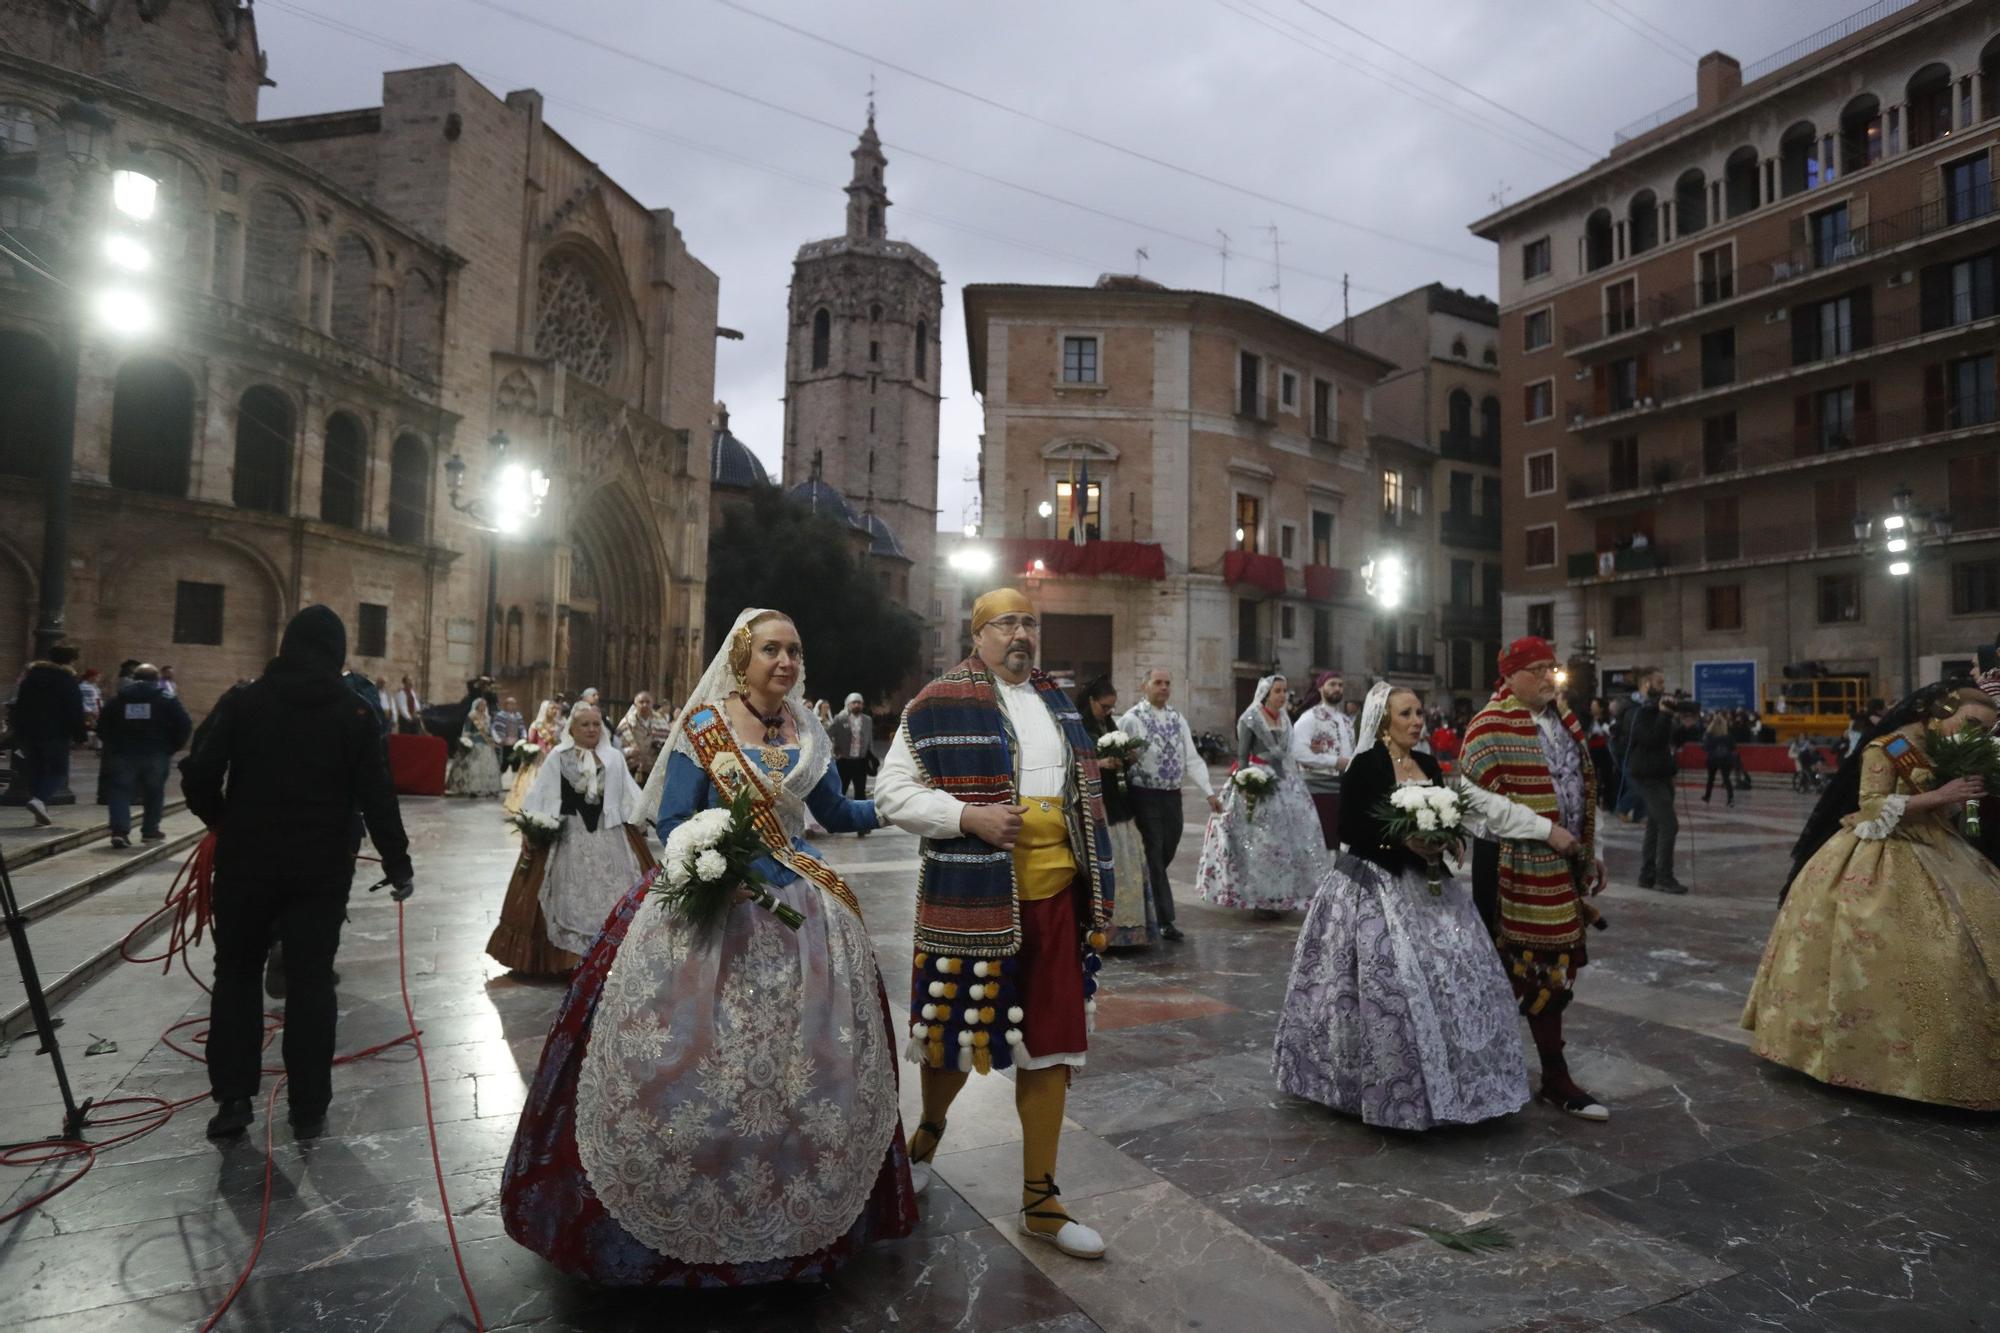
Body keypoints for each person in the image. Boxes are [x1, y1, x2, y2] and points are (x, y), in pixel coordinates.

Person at [502, 608, 917, 1284]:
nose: (785, 661)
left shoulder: (809, 728)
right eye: (771, 649)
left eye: (794, 649)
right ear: (742, 657)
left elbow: (838, 813)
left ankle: (794, 1189)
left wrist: (903, 805)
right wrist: (708, 866)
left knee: (801, 1067)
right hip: (713, 908)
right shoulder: (705, 728)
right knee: (699, 1059)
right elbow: (672, 819)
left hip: (801, 909)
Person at [875, 587, 1114, 1261]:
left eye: (1029, 622)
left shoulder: (1059, 702)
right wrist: (967, 818)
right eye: (1006, 622)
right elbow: (890, 792)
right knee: (951, 1029)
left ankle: (1041, 1200)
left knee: (1054, 1045)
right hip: (973, 895)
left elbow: (1081, 795)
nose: (1021, 633)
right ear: (976, 634)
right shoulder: (935, 702)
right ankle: (926, 1132)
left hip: (1058, 900)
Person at [1275, 682, 1578, 1129]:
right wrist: (1402, 841)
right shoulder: (1365, 766)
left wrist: (1448, 840)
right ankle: (1383, 1085)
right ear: (1382, 722)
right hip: (1377, 884)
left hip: (1431, 887)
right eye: (1406, 714)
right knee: (1388, 985)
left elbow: (1450, 815)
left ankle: (1456, 1079)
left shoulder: (1428, 764)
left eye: (1419, 713)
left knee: (1452, 974)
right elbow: (1352, 829)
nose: (1417, 722)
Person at [180, 606, 412, 1140]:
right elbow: (378, 798)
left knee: (236, 974)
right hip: (321, 869)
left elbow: (198, 771)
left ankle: (234, 1099)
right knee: (311, 980)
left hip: (246, 864)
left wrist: (223, 820)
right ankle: (308, 1106)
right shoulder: (354, 714)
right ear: (337, 652)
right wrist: (397, 863)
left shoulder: (244, 700)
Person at [1745, 681, 2000, 1109]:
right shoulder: (1890, 747)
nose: (1974, 735)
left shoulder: (1943, 748)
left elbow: (1943, 809)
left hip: (1939, 849)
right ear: (1942, 710)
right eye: (1971, 724)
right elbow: (1871, 803)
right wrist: (1942, 794)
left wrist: (1961, 800)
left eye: (1985, 730)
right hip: (1882, 855)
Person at [1460, 637, 1610, 1123]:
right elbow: (1481, 803)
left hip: (1562, 860)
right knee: (1510, 968)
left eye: (1554, 668)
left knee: (1555, 967)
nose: (1551, 678)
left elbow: (1586, 788)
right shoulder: (1487, 727)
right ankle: (1489, 1070)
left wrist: (1593, 849)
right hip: (1507, 863)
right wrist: (1548, 833)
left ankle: (1551, 1076)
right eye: (1540, 670)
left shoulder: (1567, 725)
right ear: (1511, 677)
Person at [530, 703, 654, 958]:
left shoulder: (614, 757)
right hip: (569, 832)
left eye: (596, 724)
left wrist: (645, 818)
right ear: (572, 729)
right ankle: (569, 959)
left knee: (617, 884)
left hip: (610, 832)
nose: (591, 729)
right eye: (584, 724)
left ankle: (613, 947)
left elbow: (629, 794)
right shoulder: (559, 755)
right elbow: (543, 793)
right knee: (568, 888)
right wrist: (534, 827)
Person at [1195, 674, 1324, 916]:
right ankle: (1259, 898)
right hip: (1258, 782)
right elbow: (1242, 756)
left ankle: (1283, 894)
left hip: (1285, 783)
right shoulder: (1251, 718)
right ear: (1266, 694)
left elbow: (1288, 753)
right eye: (1277, 691)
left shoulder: (1285, 719)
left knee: (1287, 842)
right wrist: (1245, 784)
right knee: (1260, 843)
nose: (1282, 695)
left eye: (1284, 690)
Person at [1118, 668, 1222, 942]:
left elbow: (1192, 757)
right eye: (1158, 682)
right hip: (1144, 794)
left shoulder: (1178, 719)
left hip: (1171, 795)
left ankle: (1148, 894)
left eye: (1167, 683)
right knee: (1153, 849)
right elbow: (1119, 755)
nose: (1163, 687)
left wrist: (1209, 792)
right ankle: (1165, 919)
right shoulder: (1132, 719)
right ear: (1144, 685)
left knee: (1167, 847)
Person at [1076, 674, 1156, 949]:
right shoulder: (1080, 728)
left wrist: (1125, 759)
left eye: (1111, 707)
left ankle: (1130, 929)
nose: (1109, 712)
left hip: (1119, 805)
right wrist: (1099, 764)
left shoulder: (1109, 725)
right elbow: (1073, 764)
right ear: (1091, 701)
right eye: (1105, 706)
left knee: (1128, 858)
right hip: (1098, 807)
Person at [97, 664, 191, 848]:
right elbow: (184, 724)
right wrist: (171, 747)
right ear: (156, 679)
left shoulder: (118, 699)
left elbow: (103, 725)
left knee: (119, 790)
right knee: (154, 792)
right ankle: (149, 830)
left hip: (122, 752)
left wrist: (112, 744)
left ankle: (119, 831)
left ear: (134, 677)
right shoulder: (167, 699)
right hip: (156, 752)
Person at [12, 644, 87, 826]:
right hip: (55, 733)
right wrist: (80, 736)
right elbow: (74, 710)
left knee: (36, 770)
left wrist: (18, 730)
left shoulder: (31, 678)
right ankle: (39, 800)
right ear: (71, 660)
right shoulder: (66, 680)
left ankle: (40, 812)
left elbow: (20, 705)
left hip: (28, 733)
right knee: (58, 771)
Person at [1624, 669, 1684, 892]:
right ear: (1646, 684)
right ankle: (1663, 877)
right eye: (1659, 681)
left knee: (1656, 824)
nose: (1663, 685)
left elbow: (1670, 738)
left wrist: (1675, 718)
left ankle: (1647, 874)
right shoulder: (1634, 711)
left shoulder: (1658, 709)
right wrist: (1664, 716)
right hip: (1647, 774)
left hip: (1662, 772)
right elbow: (1650, 739)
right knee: (1670, 824)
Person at [1290, 670, 1354, 850]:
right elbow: (1298, 753)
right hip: (1318, 789)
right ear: (1320, 688)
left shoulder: (1346, 721)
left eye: (1340, 685)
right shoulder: (1309, 718)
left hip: (1343, 789)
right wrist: (1333, 761)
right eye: (1332, 684)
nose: (1337, 689)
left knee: (1340, 842)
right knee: (1321, 843)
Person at [505, 699, 564, 815]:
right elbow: (531, 741)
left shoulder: (559, 725)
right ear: (545, 710)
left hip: (554, 757)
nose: (555, 711)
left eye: (556, 709)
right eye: (552, 708)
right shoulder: (537, 725)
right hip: (539, 759)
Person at [445, 697, 504, 797]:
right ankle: (472, 788)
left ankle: (487, 788)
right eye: (481, 705)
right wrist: (466, 742)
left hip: (486, 744)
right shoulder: (472, 716)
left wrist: (494, 740)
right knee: (473, 766)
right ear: (477, 706)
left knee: (488, 766)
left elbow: (488, 731)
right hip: (475, 743)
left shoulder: (487, 717)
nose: (483, 707)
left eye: (485, 705)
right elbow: (467, 730)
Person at [826, 692, 875, 809]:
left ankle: (861, 819)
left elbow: (870, 738)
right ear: (848, 704)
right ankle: (838, 816)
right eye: (854, 703)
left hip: (861, 761)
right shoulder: (840, 719)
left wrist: (871, 756)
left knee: (860, 791)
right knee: (841, 790)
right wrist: (834, 750)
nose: (857, 705)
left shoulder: (867, 720)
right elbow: (827, 734)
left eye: (859, 703)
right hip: (844, 761)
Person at [614, 690, 672, 782]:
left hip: (654, 772)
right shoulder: (626, 724)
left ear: (652, 704)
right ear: (635, 704)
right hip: (632, 772)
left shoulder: (662, 723)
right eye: (641, 702)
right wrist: (629, 751)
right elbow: (616, 747)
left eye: (647, 702)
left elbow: (668, 745)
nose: (645, 705)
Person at [1701, 713, 1737, 807]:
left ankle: (1707, 797)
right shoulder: (1728, 736)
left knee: (1711, 779)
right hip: (1726, 760)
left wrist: (1714, 721)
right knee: (1726, 779)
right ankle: (1730, 799)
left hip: (1713, 760)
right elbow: (1733, 748)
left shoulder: (1709, 735)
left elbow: (1704, 748)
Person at [78, 668, 103, 750]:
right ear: (91, 677)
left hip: (95, 710)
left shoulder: (94, 687)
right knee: (91, 727)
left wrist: (100, 709)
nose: (98, 679)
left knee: (96, 727)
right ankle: (87, 744)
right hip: (89, 711)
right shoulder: (84, 687)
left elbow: (97, 699)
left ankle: (96, 745)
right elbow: (83, 700)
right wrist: (89, 710)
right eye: (97, 677)